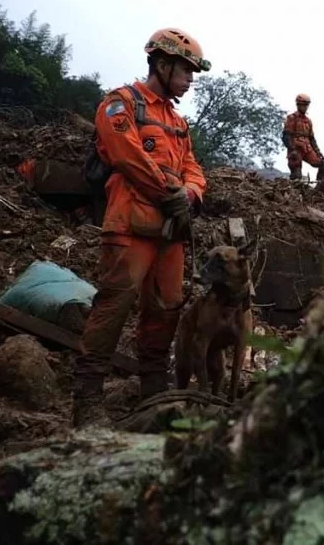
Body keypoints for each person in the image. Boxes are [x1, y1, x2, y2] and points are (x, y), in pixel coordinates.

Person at [72, 28, 210, 428]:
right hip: (131, 225)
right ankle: (87, 403)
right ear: (162, 64)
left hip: (171, 231)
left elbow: (193, 168)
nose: (189, 79)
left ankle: (154, 397)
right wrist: (171, 190)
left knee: (165, 310)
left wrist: (190, 193)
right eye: (184, 71)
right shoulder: (121, 104)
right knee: (113, 307)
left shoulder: (177, 122)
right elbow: (127, 156)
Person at [283, 94, 324, 181]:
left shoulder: (308, 121)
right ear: (298, 105)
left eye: (306, 105)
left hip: (307, 148)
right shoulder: (292, 118)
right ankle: (294, 190)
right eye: (303, 105)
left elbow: (312, 139)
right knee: (296, 173)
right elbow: (286, 136)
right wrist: (292, 149)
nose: (305, 107)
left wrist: (318, 153)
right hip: (296, 148)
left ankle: (320, 184)